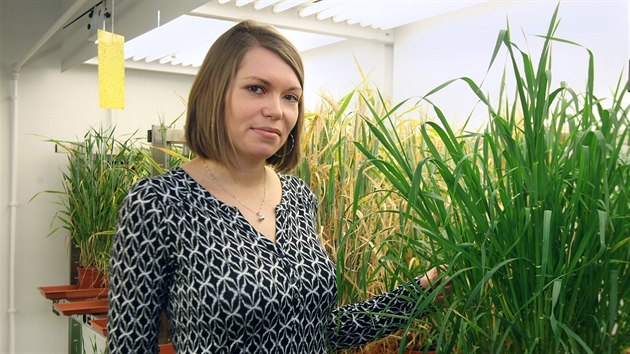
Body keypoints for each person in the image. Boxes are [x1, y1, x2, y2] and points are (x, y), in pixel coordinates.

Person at [108, 20, 446, 353]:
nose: (276, 111)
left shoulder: (299, 196)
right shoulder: (158, 203)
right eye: (256, 88)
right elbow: (129, 346)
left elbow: (317, 329)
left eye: (290, 97)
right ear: (214, 93)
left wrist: (417, 295)